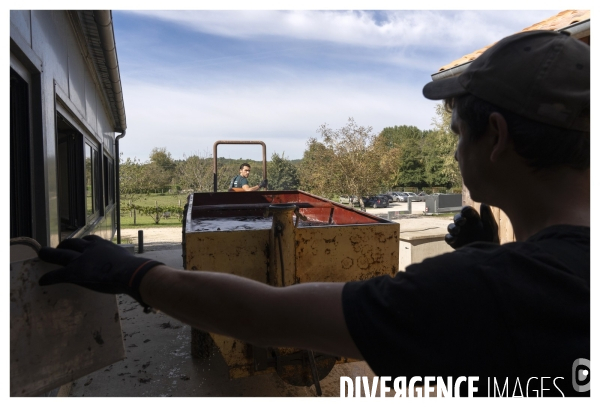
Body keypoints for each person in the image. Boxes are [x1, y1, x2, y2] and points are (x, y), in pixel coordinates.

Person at [37, 31, 589, 397]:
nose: (454, 152)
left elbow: (268, 316)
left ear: (495, 138)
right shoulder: (518, 282)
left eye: (456, 134)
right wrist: (490, 259)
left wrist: (134, 273)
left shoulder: (489, 289)